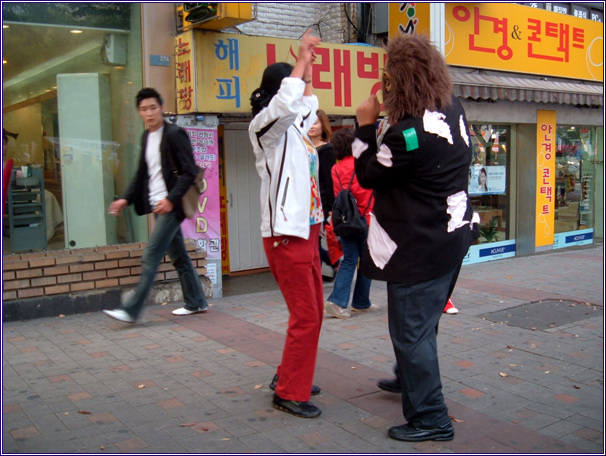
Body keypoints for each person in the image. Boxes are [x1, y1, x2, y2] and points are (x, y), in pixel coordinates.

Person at [353, 34, 478, 442]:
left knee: (411, 331)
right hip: (453, 237)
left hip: (419, 248)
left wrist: (365, 126)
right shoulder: (452, 108)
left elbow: (368, 173)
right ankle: (409, 377)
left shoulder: (406, 133)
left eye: (387, 78)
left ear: (399, 81)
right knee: (421, 325)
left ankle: (431, 417)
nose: (383, 84)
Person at [248, 30, 324, 418]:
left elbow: (306, 104)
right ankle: (289, 393)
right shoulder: (265, 132)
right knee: (306, 315)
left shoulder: (296, 130)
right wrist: (299, 65)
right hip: (285, 237)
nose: (300, 90)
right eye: (293, 83)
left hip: (307, 231)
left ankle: (290, 375)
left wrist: (306, 65)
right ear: (278, 92)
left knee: (313, 313)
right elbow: (286, 105)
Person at [103, 88, 209, 324]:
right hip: (157, 206)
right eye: (143, 109)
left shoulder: (174, 134)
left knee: (151, 255)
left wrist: (171, 199)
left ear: (161, 108)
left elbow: (190, 170)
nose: (149, 113)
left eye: (153, 108)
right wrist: (125, 198)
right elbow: (142, 174)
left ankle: (132, 310)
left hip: (172, 206)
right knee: (179, 257)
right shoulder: (146, 137)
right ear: (139, 113)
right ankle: (197, 302)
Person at [324, 127, 375, 319]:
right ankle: (355, 302)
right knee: (367, 262)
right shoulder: (363, 164)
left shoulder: (335, 169)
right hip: (365, 219)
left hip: (345, 222)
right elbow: (370, 191)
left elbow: (339, 195)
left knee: (349, 260)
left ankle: (345, 301)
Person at [307, 109, 339, 280]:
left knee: (315, 243)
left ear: (323, 125)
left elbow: (328, 181)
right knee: (312, 243)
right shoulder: (304, 148)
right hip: (306, 203)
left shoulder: (327, 150)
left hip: (320, 204)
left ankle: (316, 277)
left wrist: (330, 208)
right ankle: (331, 264)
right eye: (309, 122)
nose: (312, 126)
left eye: (316, 122)